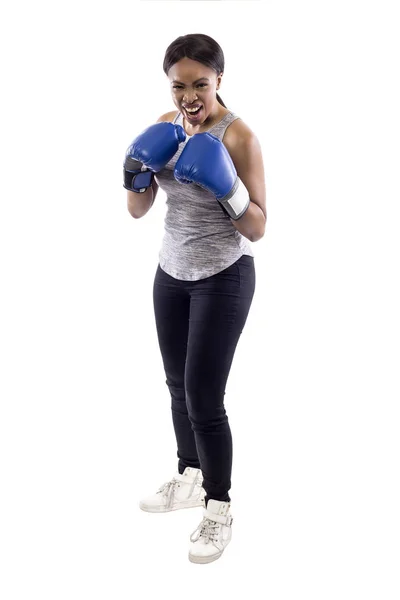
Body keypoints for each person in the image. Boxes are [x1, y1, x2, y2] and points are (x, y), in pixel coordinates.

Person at [123, 33, 266, 564]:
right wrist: (133, 175)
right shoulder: (164, 126)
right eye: (179, 85)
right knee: (177, 385)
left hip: (224, 276)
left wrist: (225, 188)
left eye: (200, 84)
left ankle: (218, 507)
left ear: (219, 80)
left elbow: (258, 227)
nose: (189, 96)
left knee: (206, 399)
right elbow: (139, 212)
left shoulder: (240, 136)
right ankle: (189, 476)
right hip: (171, 272)